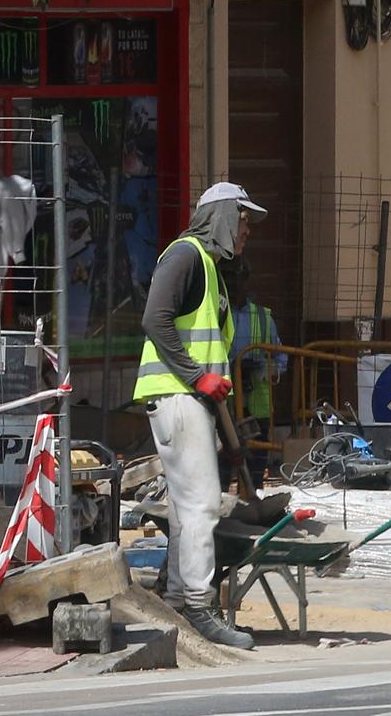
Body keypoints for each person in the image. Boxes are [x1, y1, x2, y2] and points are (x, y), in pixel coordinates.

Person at [134, 182, 267, 650]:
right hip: (178, 395)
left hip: (185, 397)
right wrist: (197, 378)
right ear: (223, 216)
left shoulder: (207, 267)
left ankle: (175, 598)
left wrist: (206, 385)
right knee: (201, 505)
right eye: (244, 220)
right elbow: (155, 319)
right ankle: (198, 605)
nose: (247, 230)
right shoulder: (187, 256)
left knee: (184, 506)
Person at [228, 259, 288, 480]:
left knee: (256, 459)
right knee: (224, 461)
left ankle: (254, 497)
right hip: (227, 401)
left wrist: (266, 369)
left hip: (257, 403)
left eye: (237, 278)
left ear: (245, 280)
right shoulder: (218, 314)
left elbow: (282, 356)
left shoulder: (263, 318)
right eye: (229, 279)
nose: (233, 284)